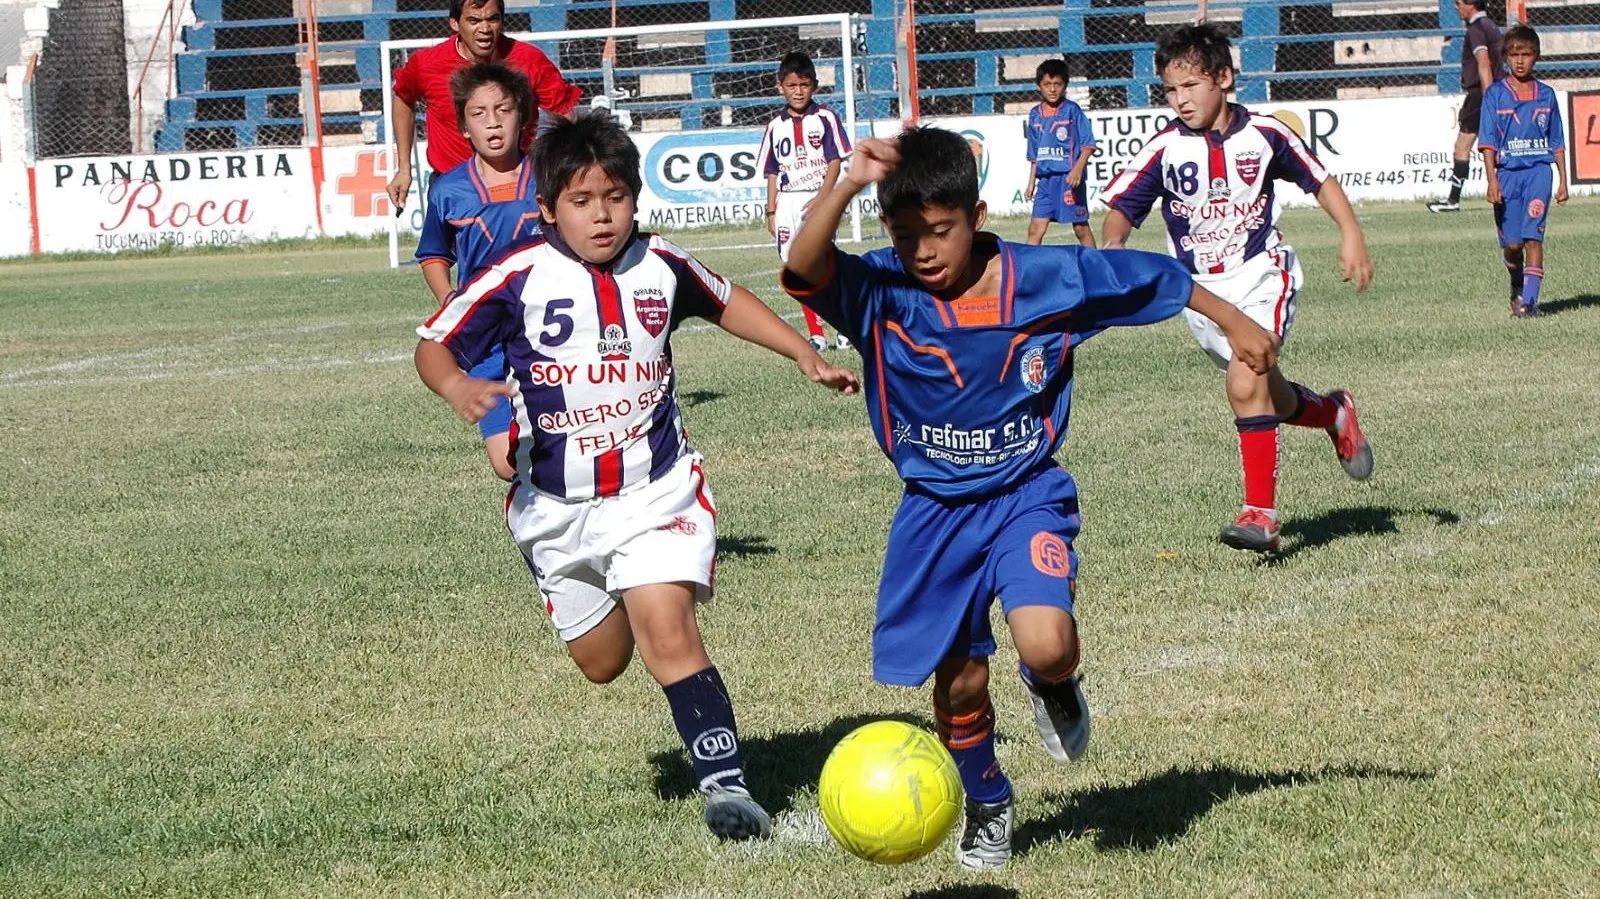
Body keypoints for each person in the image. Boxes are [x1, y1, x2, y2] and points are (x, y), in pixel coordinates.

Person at [781, 125, 1277, 869]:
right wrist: (845, 183)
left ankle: (1055, 684)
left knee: (1046, 640)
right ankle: (986, 801)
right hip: (932, 513)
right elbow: (802, 267)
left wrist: (1235, 321)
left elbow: (1147, 275)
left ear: (977, 216)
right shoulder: (878, 288)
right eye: (906, 233)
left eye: (940, 232)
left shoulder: (1045, 276)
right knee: (958, 680)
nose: (923, 251)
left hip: (1025, 494)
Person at [415, 109, 858, 841]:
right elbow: (435, 342)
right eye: (583, 201)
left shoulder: (661, 264)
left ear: (636, 198)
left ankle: (727, 787)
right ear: (547, 208)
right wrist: (458, 387)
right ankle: (605, 588)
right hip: (555, 508)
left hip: (655, 490)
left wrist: (800, 353)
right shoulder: (515, 275)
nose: (602, 216)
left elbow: (724, 300)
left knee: (667, 626)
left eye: (615, 198)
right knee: (602, 661)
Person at [1101, 23, 1375, 554]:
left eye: (1192, 86)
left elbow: (1320, 179)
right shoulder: (1164, 149)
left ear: (1224, 78)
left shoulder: (1267, 133)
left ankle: (1261, 516)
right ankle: (1335, 412)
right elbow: (1122, 211)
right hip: (1201, 295)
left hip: (1260, 274)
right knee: (1269, 395)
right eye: (1171, 91)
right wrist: (1114, 246)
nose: (1181, 101)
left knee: (1245, 380)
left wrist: (1351, 233)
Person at [415, 63, 542, 480]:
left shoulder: (551, 175)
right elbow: (434, 252)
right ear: (464, 127)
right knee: (508, 466)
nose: (493, 123)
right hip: (488, 335)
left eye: (503, 110)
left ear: (521, 115)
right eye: (479, 113)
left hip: (548, 325)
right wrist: (448, 298)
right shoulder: (448, 190)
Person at [386, 0, 581, 213]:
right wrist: (404, 168)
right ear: (454, 23)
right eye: (474, 20)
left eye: (492, 19)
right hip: (454, 189)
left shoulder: (529, 60)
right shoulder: (427, 63)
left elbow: (564, 114)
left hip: (519, 188)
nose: (485, 29)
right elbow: (403, 98)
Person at [758, 50, 853, 352]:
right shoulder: (775, 126)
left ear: (814, 85)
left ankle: (844, 327)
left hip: (818, 198)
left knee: (824, 262)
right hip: (787, 203)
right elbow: (772, 171)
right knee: (795, 267)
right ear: (780, 87)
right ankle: (817, 335)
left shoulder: (825, 118)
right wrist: (771, 210)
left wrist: (823, 200)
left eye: (804, 85)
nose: (798, 91)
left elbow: (835, 162)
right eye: (791, 85)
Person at [1479, 25, 1567, 318]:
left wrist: (1563, 181)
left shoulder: (1547, 95)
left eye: (1526, 55)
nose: (1520, 61)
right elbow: (1488, 141)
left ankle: (1529, 304)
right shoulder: (1495, 95)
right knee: (1513, 245)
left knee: (1534, 239)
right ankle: (1516, 282)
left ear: (1536, 57)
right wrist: (1492, 179)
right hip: (1507, 176)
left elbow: (1557, 140)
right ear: (1505, 57)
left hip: (1538, 173)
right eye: (1515, 55)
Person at [1429, 0, 1503, 213]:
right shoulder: (1491, 25)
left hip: (1481, 94)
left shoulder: (1476, 29)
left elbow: (1484, 63)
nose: (1456, 7)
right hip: (1494, 91)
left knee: (1462, 146)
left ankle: (1453, 200)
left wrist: (1488, 97)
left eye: (1459, 2)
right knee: (1495, 145)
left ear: (1471, 5)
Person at [1023, 58, 1097, 247]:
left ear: (1065, 86)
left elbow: (1088, 145)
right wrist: (1031, 182)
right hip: (1045, 181)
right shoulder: (1034, 115)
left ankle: (1097, 266)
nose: (1052, 89)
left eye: (1057, 84)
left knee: (1080, 227)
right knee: (1036, 228)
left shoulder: (1072, 111)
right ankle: (1030, 271)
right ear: (1039, 85)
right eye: (1047, 84)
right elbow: (1034, 154)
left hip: (1068, 179)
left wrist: (1077, 170)